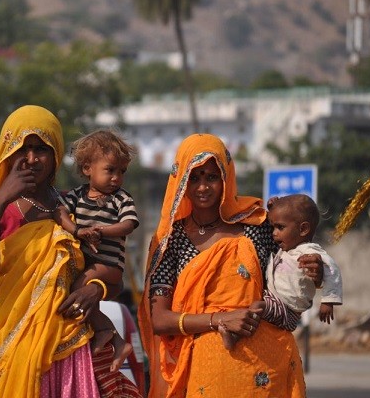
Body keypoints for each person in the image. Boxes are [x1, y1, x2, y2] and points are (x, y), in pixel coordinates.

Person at [0, 105, 140, 398]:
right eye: (21, 149)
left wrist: (95, 289)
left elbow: (112, 273)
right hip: (13, 349)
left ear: (56, 155)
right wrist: (2, 197)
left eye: (42, 149)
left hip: (69, 348)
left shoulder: (72, 204)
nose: (31, 159)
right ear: (6, 152)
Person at [138, 133, 324, 398]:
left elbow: (294, 268)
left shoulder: (257, 226)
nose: (203, 187)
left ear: (226, 177)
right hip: (205, 374)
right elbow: (159, 320)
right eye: (194, 177)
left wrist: (315, 271)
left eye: (212, 177)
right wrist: (220, 319)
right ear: (180, 180)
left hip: (267, 368)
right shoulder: (171, 240)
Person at [54, 129, 138, 373]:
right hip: (88, 261)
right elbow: (59, 212)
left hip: (109, 264)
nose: (116, 178)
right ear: (88, 168)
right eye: (110, 170)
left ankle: (105, 331)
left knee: (79, 288)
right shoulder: (78, 195)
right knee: (83, 295)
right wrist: (77, 229)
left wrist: (102, 230)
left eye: (121, 172)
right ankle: (115, 339)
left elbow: (129, 224)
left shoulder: (121, 198)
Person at [220, 194, 343, 350]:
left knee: (257, 306)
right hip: (275, 299)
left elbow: (332, 270)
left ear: (303, 229)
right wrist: (273, 208)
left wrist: (328, 301)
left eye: (280, 227)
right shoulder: (286, 249)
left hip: (288, 310)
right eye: (273, 227)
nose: (274, 233)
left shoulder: (309, 251)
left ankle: (235, 337)